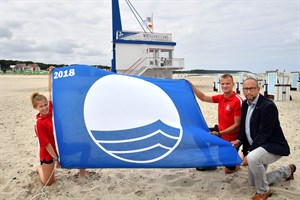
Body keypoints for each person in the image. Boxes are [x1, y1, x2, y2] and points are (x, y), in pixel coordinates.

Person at [231, 77, 296, 200]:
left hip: (272, 145)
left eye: (251, 89)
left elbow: (264, 134)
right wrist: (239, 141)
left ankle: (263, 192)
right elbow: (244, 127)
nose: (248, 92)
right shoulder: (245, 104)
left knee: (253, 159)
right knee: (253, 182)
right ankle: (287, 170)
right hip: (257, 147)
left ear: (258, 89)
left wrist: (249, 153)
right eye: (245, 89)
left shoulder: (268, 106)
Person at [31, 66, 86, 186]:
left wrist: (50, 74)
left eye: (45, 105)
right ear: (36, 108)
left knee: (85, 147)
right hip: (49, 153)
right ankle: (39, 168)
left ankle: (82, 173)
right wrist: (56, 160)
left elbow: (51, 92)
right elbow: (46, 145)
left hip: (62, 147)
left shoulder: (50, 110)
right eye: (41, 106)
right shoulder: (39, 123)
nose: (45, 108)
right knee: (48, 183)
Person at [189, 74, 243, 173]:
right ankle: (210, 162)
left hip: (232, 139)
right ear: (220, 84)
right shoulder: (221, 97)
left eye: (227, 83)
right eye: (222, 83)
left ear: (233, 84)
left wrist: (219, 134)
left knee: (228, 171)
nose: (225, 86)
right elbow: (203, 97)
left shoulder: (237, 101)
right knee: (198, 136)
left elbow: (237, 126)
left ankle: (240, 158)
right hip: (220, 132)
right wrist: (191, 85)